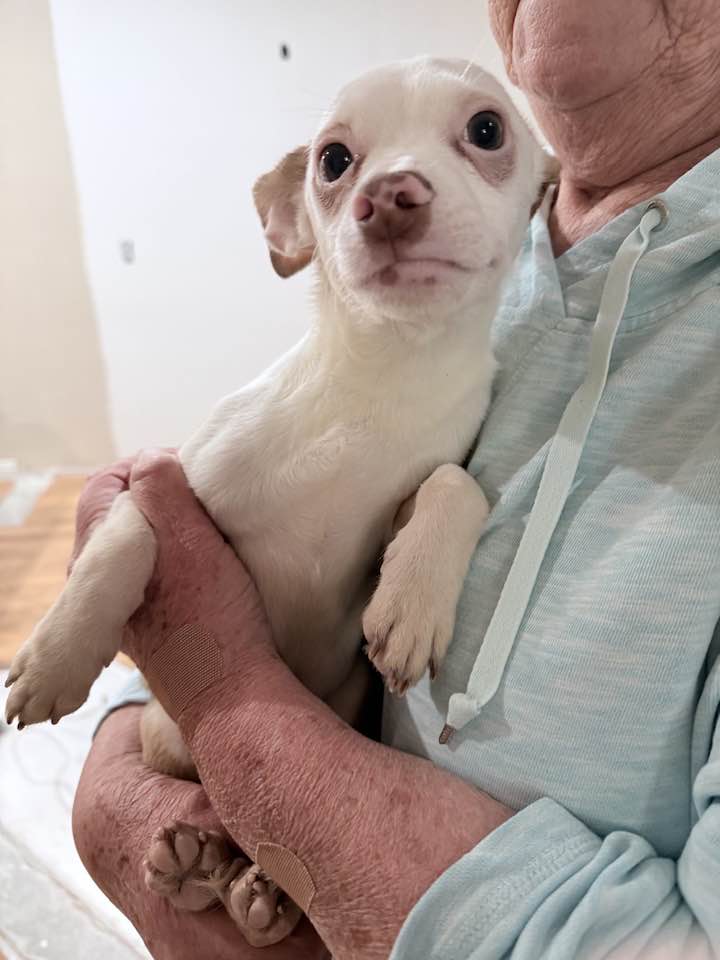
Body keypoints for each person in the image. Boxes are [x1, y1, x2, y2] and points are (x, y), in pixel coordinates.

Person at [71, 1, 720, 957]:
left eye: (483, 137)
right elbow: (203, 588)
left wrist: (231, 714)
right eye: (341, 164)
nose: (394, 194)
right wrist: (120, 784)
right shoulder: (465, 261)